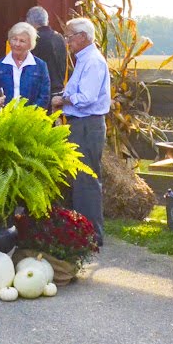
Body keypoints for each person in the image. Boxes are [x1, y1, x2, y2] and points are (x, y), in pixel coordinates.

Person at [52, 18, 110, 244]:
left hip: (88, 124)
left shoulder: (93, 62)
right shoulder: (84, 60)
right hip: (82, 124)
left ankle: (92, 234)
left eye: (70, 37)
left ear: (83, 36)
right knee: (80, 178)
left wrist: (62, 99)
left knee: (86, 179)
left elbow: (86, 98)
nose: (68, 42)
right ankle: (82, 230)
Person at [0, 22, 52, 110]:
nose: (17, 44)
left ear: (30, 44)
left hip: (30, 119)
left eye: (22, 41)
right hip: (3, 118)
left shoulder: (40, 66)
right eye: (14, 39)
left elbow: (44, 96)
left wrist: (29, 114)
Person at [26, 5, 67, 94]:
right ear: (47, 20)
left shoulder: (35, 40)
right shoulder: (59, 37)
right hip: (59, 90)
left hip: (42, 93)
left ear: (30, 22)